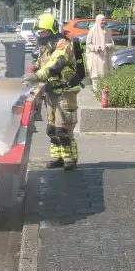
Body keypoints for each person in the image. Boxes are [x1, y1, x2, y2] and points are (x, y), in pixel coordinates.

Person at [24, 13, 86, 170]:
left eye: (43, 31)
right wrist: (32, 70)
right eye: (39, 31)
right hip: (51, 92)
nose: (40, 34)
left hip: (66, 93)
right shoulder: (47, 46)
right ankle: (57, 157)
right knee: (51, 129)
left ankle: (70, 160)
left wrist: (37, 76)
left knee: (63, 130)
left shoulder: (62, 45)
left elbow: (55, 64)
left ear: (52, 30)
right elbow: (40, 63)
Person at [85, 14, 114, 91]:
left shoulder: (107, 30)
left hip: (105, 58)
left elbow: (112, 43)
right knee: (96, 77)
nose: (104, 22)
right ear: (98, 21)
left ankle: (105, 96)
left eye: (105, 20)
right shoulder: (92, 31)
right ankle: (96, 94)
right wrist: (96, 47)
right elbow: (88, 44)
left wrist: (108, 45)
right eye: (102, 20)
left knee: (105, 77)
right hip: (96, 58)